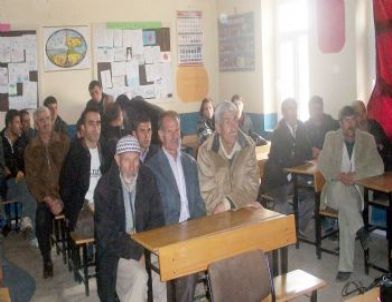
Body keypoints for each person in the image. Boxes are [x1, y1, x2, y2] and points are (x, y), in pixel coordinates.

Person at [94, 136, 165, 302]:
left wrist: (143, 249)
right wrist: (134, 251)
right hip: (118, 252)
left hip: (147, 245)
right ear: (117, 160)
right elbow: (106, 235)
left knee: (165, 272)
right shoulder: (105, 188)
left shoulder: (148, 178)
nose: (132, 166)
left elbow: (158, 219)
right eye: (127, 160)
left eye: (136, 159)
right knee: (139, 277)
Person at [318, 106, 384, 281]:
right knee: (344, 196)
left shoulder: (367, 139)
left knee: (347, 212)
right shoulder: (331, 138)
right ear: (340, 123)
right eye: (346, 121)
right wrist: (340, 175)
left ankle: (346, 266)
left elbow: (378, 166)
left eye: (353, 120)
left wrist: (355, 176)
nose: (351, 124)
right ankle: (361, 230)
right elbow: (323, 164)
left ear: (357, 121)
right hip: (334, 189)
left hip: (355, 190)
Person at [146, 111, 206, 302]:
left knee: (227, 256)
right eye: (169, 131)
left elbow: (198, 203)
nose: (174, 136)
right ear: (161, 135)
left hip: (193, 230)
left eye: (176, 130)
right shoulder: (151, 168)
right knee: (186, 272)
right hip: (169, 234)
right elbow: (152, 214)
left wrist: (202, 228)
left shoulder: (190, 163)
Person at [24, 106, 70, 278]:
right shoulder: (31, 148)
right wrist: (50, 200)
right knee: (41, 220)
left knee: (80, 212)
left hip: (65, 194)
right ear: (36, 124)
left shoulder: (64, 141)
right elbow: (32, 181)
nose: (45, 123)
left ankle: (81, 254)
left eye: (47, 119)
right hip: (45, 197)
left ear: (52, 120)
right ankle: (47, 259)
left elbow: (72, 172)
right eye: (41, 120)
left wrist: (64, 199)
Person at [197, 101, 261, 214]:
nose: (234, 127)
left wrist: (228, 204)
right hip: (217, 218)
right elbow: (208, 195)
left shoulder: (248, 146)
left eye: (235, 120)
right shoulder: (205, 152)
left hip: (244, 213)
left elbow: (252, 186)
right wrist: (239, 203)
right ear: (218, 128)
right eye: (227, 121)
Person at [263, 98, 314, 234]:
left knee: (312, 193)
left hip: (296, 175)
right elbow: (281, 159)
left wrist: (297, 158)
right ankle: (282, 232)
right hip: (278, 178)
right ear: (284, 113)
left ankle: (298, 227)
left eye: (295, 109)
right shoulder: (278, 132)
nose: (294, 113)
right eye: (290, 110)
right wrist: (299, 158)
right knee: (282, 199)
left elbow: (308, 152)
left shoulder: (302, 127)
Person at [60, 107, 108, 235]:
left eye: (98, 123)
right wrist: (85, 205)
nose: (95, 127)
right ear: (83, 128)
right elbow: (66, 189)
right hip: (82, 207)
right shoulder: (75, 153)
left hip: (102, 203)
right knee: (102, 228)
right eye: (91, 123)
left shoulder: (105, 150)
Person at [1, 110, 36, 242]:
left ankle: (28, 223)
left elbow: (28, 161)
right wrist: (15, 172)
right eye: (17, 122)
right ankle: (26, 221)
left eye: (21, 122)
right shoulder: (1, 141)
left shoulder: (23, 140)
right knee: (27, 188)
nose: (20, 125)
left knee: (30, 189)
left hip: (21, 181)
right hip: (6, 184)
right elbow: (5, 166)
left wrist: (18, 172)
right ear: (9, 124)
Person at [352, 100, 391, 170]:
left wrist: (380, 146)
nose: (362, 116)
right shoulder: (351, 132)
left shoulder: (374, 125)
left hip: (381, 164)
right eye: (358, 114)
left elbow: (386, 144)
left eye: (363, 111)